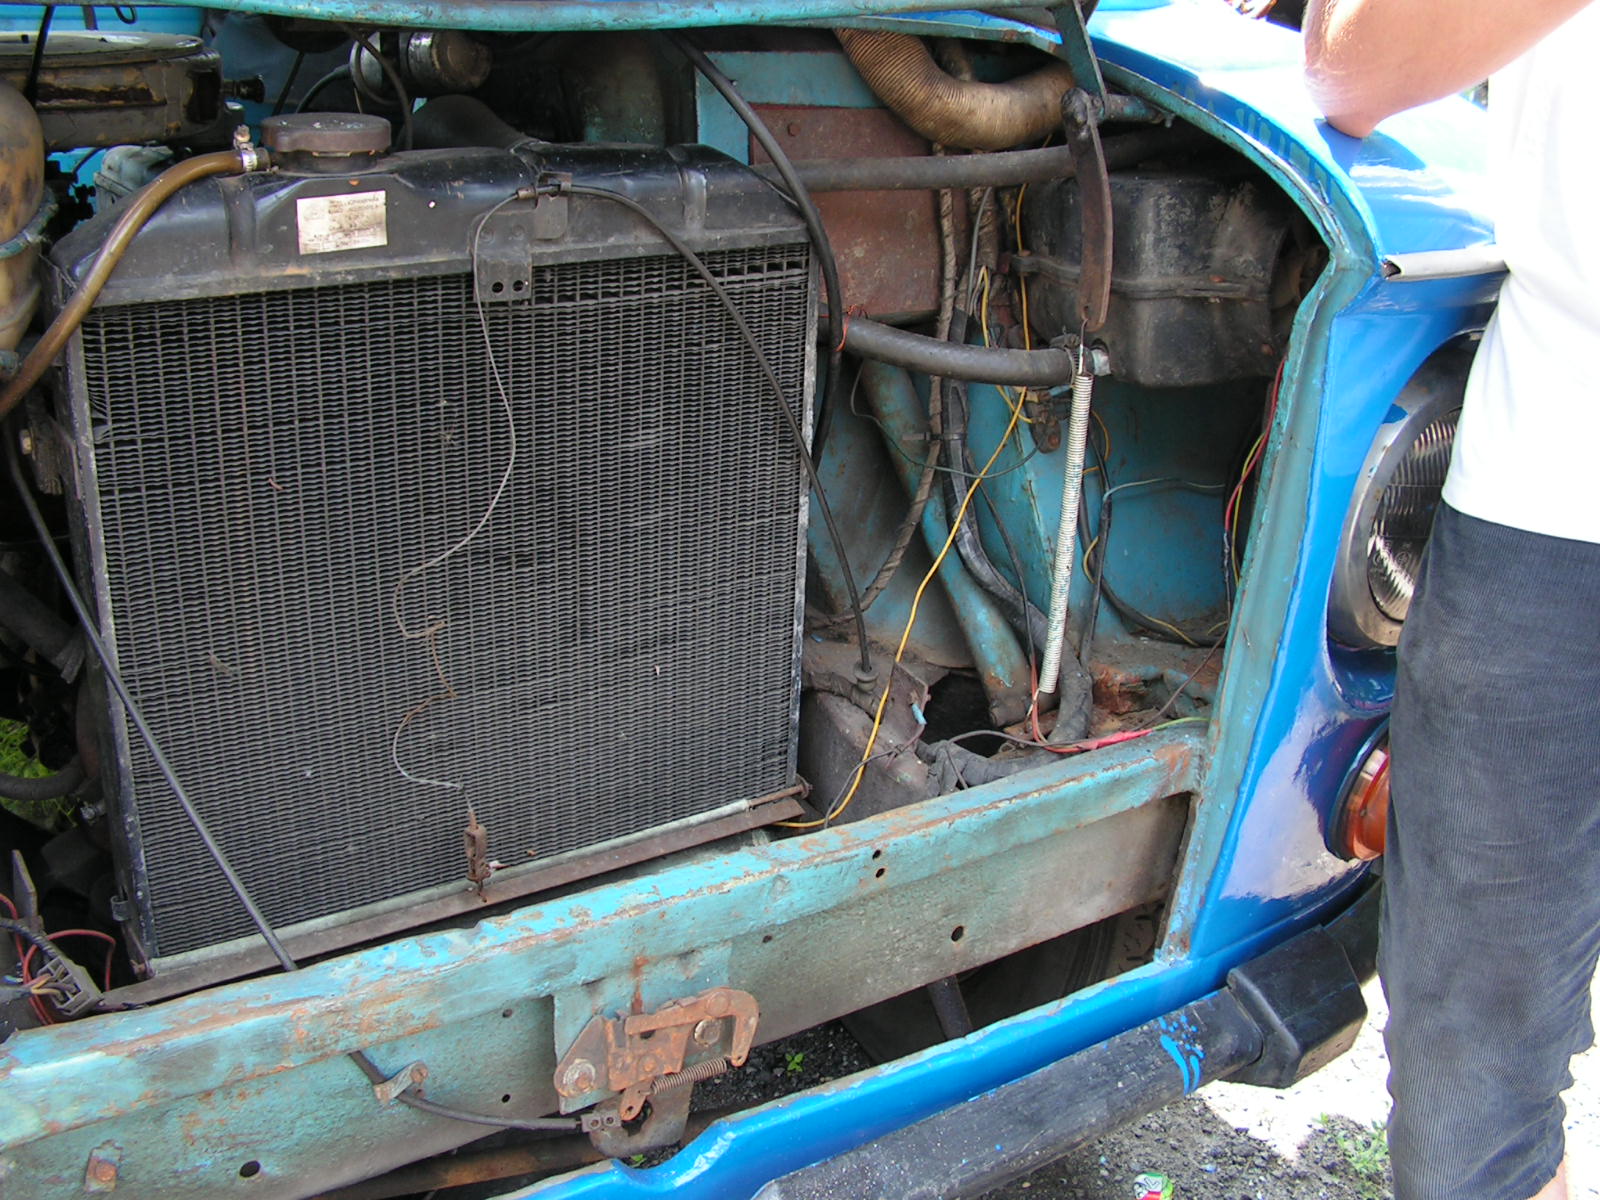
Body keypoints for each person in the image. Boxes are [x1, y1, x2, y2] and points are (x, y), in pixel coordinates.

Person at [1303, 3, 1600, 1198]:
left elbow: (1351, 67)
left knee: (1478, 1068)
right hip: (1560, 496)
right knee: (1475, 1070)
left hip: (1560, 508)